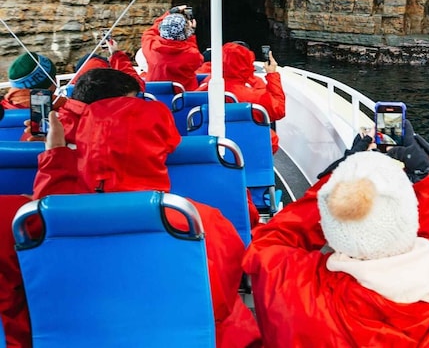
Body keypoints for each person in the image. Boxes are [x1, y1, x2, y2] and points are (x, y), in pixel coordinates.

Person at [1, 68, 261, 347]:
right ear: (160, 146)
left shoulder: (36, 223)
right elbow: (220, 299)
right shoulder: (198, 220)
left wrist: (56, 160)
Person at [242, 121, 429, 348]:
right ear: (408, 214)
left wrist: (332, 184)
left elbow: (268, 244)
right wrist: (426, 177)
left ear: (330, 215)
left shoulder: (294, 289)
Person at [199, 41, 286, 152]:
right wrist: (272, 75)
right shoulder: (253, 97)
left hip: (211, 147)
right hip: (249, 148)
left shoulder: (206, 87)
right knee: (271, 137)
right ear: (247, 64)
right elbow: (278, 110)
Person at [141, 5, 203, 90]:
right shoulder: (192, 54)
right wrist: (191, 35)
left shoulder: (151, 47)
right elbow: (199, 62)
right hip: (183, 98)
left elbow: (149, 32)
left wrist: (168, 13)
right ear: (185, 33)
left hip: (155, 96)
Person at [71, 36, 145, 90]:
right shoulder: (128, 91)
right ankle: (108, 62)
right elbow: (136, 85)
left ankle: (107, 62)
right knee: (93, 60)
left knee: (90, 59)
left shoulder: (74, 97)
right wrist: (116, 54)